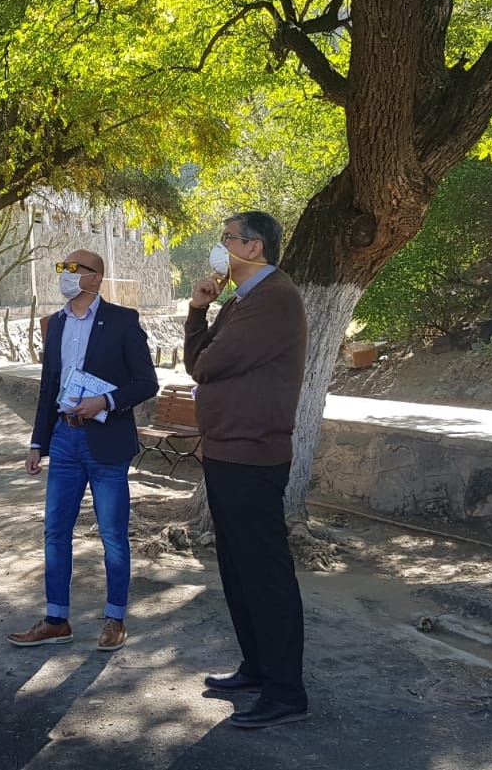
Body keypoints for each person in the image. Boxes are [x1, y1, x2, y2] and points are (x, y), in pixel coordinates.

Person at [184, 211, 311, 729]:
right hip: (227, 450)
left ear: (254, 247)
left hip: (253, 454)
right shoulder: (240, 301)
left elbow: (207, 366)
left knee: (264, 572)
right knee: (238, 569)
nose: (220, 247)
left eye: (227, 239)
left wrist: (206, 349)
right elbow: (199, 358)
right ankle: (257, 668)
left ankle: (286, 692)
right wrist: (198, 310)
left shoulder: (274, 298)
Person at [7, 249, 156, 652]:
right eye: (62, 267)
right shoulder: (55, 323)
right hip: (63, 440)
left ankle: (115, 618)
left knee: (112, 535)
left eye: (74, 268)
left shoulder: (122, 321)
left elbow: (146, 382)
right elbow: (48, 385)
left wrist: (105, 402)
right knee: (55, 531)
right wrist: (37, 442)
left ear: (95, 278)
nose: (65, 274)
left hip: (106, 441)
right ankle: (56, 619)